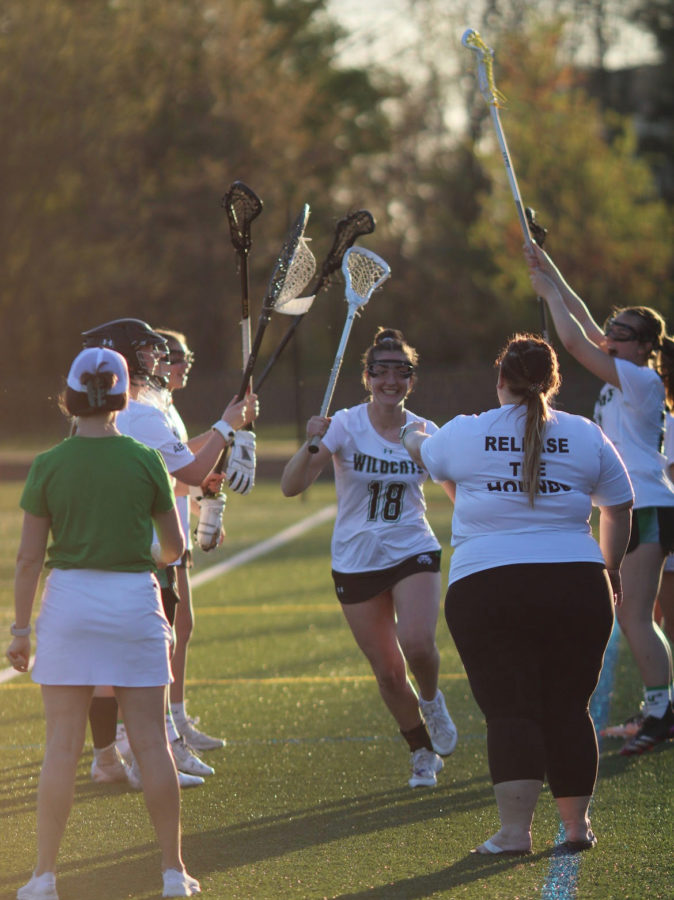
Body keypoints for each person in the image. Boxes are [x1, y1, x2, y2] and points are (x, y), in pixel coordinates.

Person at [401, 333, 633, 854]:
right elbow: (620, 505)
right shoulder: (585, 432)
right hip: (577, 583)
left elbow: (423, 452)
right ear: (553, 382)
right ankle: (576, 828)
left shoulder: (466, 430)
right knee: (569, 708)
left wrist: (415, 434)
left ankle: (513, 834)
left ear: (499, 378)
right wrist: (610, 569)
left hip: (489, 586)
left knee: (511, 711)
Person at [5, 347, 202, 899]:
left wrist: (20, 632)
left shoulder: (48, 464)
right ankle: (172, 873)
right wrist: (152, 561)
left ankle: (43, 877)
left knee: (61, 747)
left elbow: (27, 560)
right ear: (122, 397)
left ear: (69, 397)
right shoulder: (145, 459)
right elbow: (174, 546)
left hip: (69, 605)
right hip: (132, 602)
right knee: (151, 743)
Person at [82, 319, 258, 788]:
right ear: (123, 356)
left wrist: (212, 464)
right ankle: (147, 754)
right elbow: (191, 470)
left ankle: (117, 756)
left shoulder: (132, 410)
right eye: (148, 352)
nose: (158, 360)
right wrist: (228, 425)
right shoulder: (140, 411)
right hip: (141, 553)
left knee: (123, 658)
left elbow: (177, 473)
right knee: (148, 656)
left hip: (105, 553)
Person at [281, 327, 458, 789]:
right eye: (381, 371)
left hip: (411, 547)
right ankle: (421, 752)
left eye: (402, 372)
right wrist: (310, 441)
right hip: (356, 558)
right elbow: (291, 485)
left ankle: (433, 699)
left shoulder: (424, 431)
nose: (391, 381)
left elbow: (455, 487)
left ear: (412, 380)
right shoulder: (344, 424)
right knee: (388, 671)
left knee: (418, 643)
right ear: (367, 377)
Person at [526, 245, 674, 754]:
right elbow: (586, 325)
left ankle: (662, 712)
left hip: (646, 506)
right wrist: (550, 267)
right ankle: (660, 705)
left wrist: (546, 293)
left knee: (634, 617)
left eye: (622, 333)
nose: (610, 336)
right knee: (637, 614)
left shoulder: (639, 378)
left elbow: (573, 340)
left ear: (645, 348)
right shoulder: (626, 366)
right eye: (613, 327)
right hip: (639, 505)